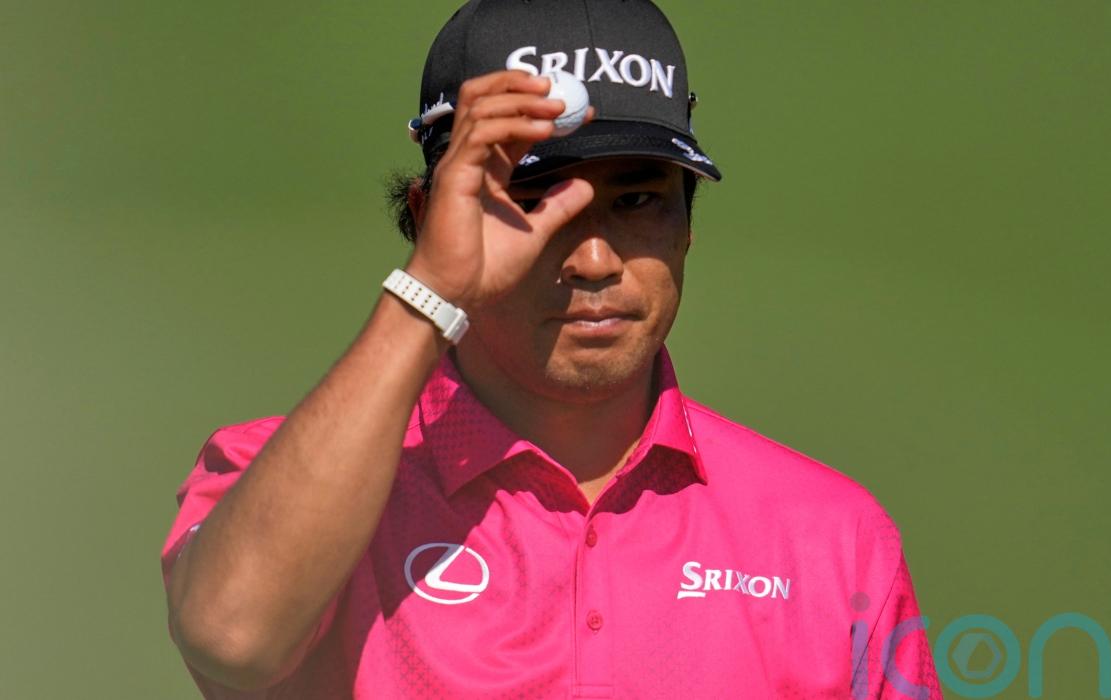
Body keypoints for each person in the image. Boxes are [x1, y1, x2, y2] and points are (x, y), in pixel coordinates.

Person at [161, 1, 943, 697]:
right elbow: (232, 637)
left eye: (638, 199)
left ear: (688, 224)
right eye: (534, 199)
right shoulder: (281, 483)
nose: (594, 260)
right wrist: (434, 285)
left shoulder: (833, 534)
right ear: (430, 216)